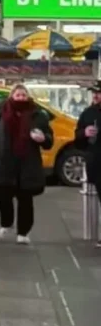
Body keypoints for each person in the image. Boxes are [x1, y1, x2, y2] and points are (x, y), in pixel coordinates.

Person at [0, 85, 53, 245]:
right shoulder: (1, 112)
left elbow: (49, 138)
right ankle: (6, 223)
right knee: (2, 195)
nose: (21, 97)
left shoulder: (37, 115)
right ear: (12, 96)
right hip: (4, 161)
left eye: (23, 95)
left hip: (27, 162)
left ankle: (23, 232)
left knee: (25, 199)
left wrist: (43, 139)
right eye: (18, 94)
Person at [74, 81, 101, 248]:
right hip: (96, 162)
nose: (96, 96)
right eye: (94, 93)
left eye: (99, 93)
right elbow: (78, 139)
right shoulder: (88, 113)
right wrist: (83, 133)